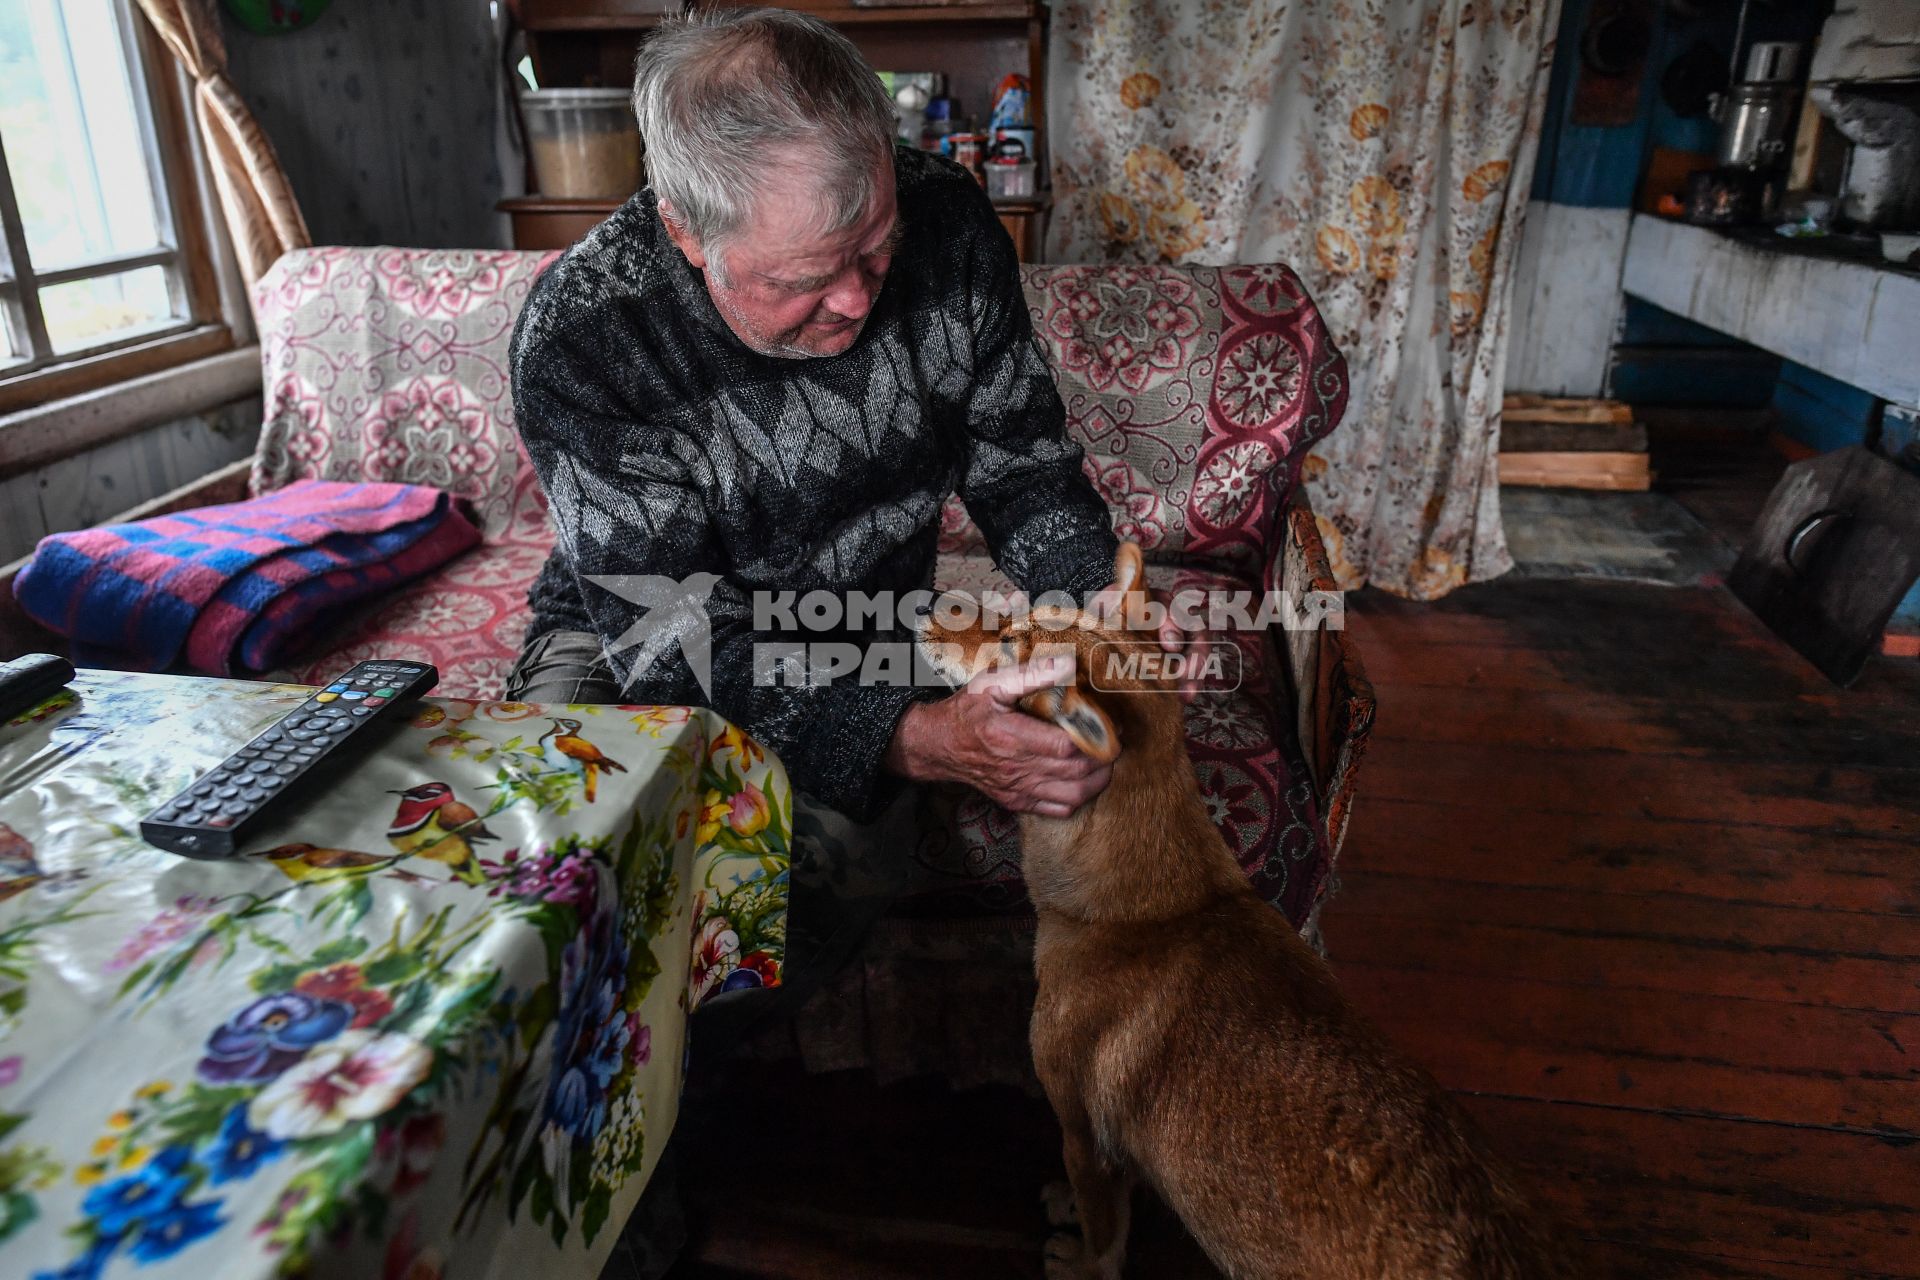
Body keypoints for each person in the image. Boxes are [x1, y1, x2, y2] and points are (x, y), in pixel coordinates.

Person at [506, 6, 1122, 827]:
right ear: (686, 231)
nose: (857, 298)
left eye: (875, 245)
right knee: (573, 849)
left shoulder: (950, 222)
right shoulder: (583, 338)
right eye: (804, 278)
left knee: (804, 871)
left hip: (856, 630)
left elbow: (1021, 465)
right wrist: (924, 736)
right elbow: (672, 642)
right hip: (628, 641)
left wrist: (1103, 600)